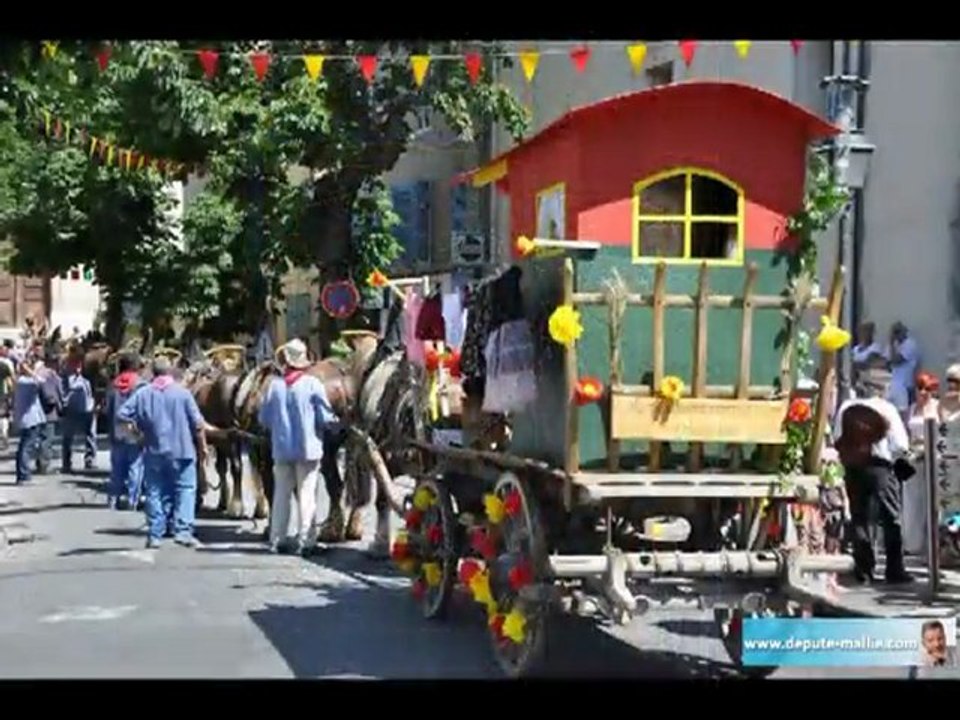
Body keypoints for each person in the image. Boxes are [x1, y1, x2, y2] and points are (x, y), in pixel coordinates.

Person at [117, 356, 211, 549]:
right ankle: (183, 532)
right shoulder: (183, 394)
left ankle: (155, 535)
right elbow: (198, 425)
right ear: (170, 371)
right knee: (185, 489)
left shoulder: (144, 394)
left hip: (154, 450)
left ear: (153, 372)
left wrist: (137, 434)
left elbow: (122, 414)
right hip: (182, 450)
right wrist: (203, 447)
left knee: (154, 491)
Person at [834, 366, 913, 585]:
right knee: (891, 517)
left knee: (860, 518)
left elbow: (837, 436)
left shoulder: (846, 407)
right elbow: (899, 444)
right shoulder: (886, 409)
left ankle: (864, 570)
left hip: (853, 467)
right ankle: (894, 569)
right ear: (882, 388)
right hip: (881, 467)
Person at [258, 338, 337, 556]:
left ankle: (278, 538)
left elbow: (264, 420)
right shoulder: (313, 385)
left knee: (281, 494)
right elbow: (325, 418)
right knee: (307, 493)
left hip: (281, 450)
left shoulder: (273, 386)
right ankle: (306, 540)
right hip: (308, 449)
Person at [104, 353, 147, 510]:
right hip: (135, 432)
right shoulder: (141, 385)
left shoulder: (113, 384)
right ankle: (132, 500)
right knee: (135, 467)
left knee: (116, 468)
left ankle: (113, 499)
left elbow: (107, 410)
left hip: (116, 431)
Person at [12, 358, 47, 484]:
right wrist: (34, 370)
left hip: (33, 419)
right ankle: (23, 475)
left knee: (26, 446)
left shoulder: (24, 381)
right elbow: (41, 381)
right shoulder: (23, 381)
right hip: (30, 420)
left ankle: (24, 473)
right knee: (25, 447)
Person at [60, 357, 96, 473]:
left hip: (87, 410)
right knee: (68, 437)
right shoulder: (65, 380)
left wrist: (92, 406)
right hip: (72, 410)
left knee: (90, 435)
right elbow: (63, 394)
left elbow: (90, 394)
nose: (77, 368)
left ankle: (90, 459)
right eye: (74, 365)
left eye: (79, 365)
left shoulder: (86, 380)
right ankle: (66, 463)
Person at [35, 355, 64, 475]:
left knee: (42, 438)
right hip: (48, 411)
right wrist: (57, 403)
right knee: (47, 438)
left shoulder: (39, 373)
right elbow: (49, 396)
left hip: (40, 411)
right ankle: (44, 464)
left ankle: (40, 462)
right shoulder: (48, 375)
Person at [888, 321, 921, 419]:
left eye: (898, 332)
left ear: (904, 331)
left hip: (906, 386)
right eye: (894, 332)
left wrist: (891, 343)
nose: (896, 335)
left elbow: (896, 360)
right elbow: (886, 361)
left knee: (907, 416)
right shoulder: (895, 345)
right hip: (894, 386)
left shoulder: (910, 344)